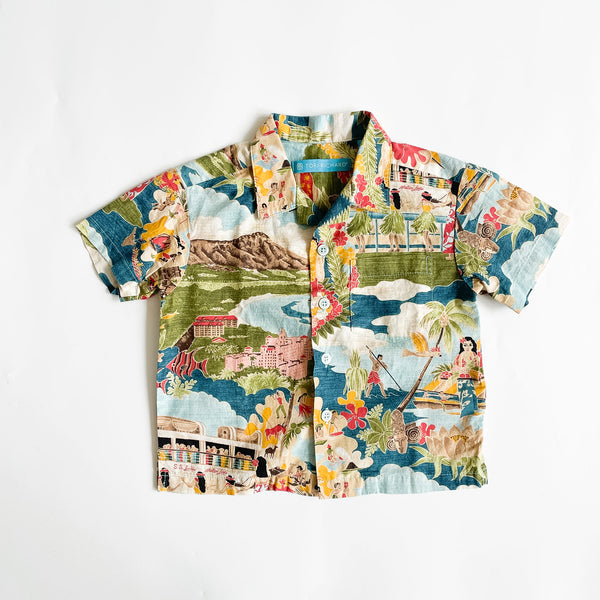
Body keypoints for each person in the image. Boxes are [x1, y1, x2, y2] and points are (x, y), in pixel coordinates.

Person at [452, 336, 481, 417]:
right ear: (462, 346)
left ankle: (469, 413)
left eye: (470, 345)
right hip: (461, 378)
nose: (468, 347)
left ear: (473, 345)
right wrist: (460, 369)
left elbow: (477, 366)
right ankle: (466, 413)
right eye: (465, 345)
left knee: (470, 394)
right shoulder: (459, 356)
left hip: (470, 378)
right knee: (464, 395)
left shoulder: (474, 355)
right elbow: (454, 367)